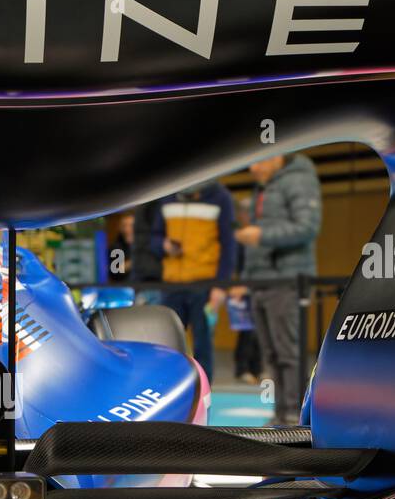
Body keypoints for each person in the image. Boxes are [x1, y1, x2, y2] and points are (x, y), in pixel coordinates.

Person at [233, 153, 322, 426]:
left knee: (287, 352)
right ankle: (280, 414)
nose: (252, 168)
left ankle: (294, 415)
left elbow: (308, 227)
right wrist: (245, 280)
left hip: (286, 281)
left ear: (277, 157)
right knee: (271, 354)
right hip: (261, 282)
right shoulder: (263, 187)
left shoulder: (298, 180)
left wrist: (261, 236)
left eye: (258, 161)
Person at [133, 181, 235, 382]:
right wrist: (163, 245)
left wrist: (220, 286)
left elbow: (229, 245)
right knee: (169, 345)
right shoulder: (168, 196)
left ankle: (203, 394)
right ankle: (172, 390)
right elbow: (153, 238)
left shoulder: (220, 197)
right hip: (171, 285)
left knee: (202, 345)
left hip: (204, 284)